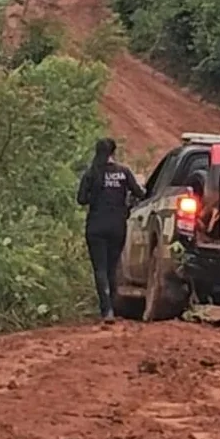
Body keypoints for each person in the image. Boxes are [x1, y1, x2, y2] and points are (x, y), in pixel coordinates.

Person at [77, 138, 145, 324]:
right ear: (113, 152)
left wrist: (96, 196)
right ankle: (112, 308)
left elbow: (81, 199)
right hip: (117, 226)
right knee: (112, 267)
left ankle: (106, 310)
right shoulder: (123, 172)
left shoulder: (91, 173)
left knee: (100, 268)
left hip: (96, 226)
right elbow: (140, 193)